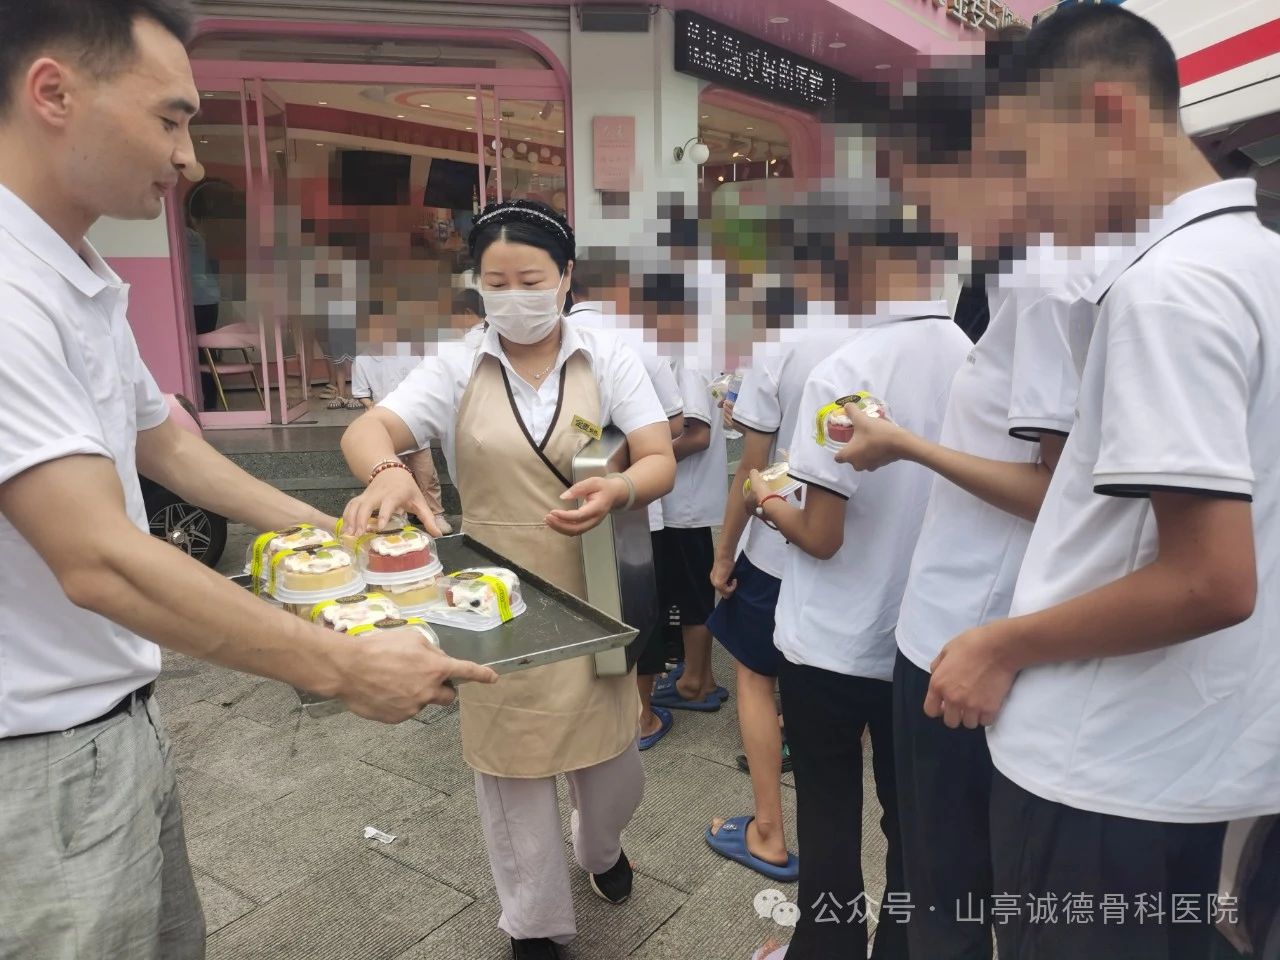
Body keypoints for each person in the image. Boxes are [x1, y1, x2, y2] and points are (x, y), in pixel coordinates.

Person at [0, 3, 495, 957]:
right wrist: (340, 666)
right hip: (37, 756)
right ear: (53, 93)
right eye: (171, 120)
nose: (189, 161)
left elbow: (167, 446)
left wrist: (327, 528)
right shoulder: (9, 292)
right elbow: (98, 559)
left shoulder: (72, 274)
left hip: (113, 721)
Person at [920, 7, 1280, 959]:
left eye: (1024, 158)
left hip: (1100, 767)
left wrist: (998, 643)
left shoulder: (1169, 289)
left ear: (1109, 115)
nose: (1027, 196)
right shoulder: (1261, 261)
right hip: (1189, 754)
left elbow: (1211, 578)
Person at [339, 199, 677, 960]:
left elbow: (658, 455)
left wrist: (621, 489)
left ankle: (600, 846)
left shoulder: (606, 357)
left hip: (593, 593)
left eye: (531, 279)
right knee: (512, 776)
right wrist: (388, 469)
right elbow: (369, 428)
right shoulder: (457, 363)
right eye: (496, 283)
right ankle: (535, 923)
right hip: (493, 604)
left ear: (566, 277)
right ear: (477, 286)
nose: (515, 296)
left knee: (613, 766)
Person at [745, 209, 971, 960]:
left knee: (829, 810)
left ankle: (826, 947)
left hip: (832, 640)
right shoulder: (973, 358)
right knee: (911, 823)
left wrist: (764, 500)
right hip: (928, 638)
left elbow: (822, 534)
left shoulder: (847, 371)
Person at [704, 205, 856, 884]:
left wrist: (722, 554)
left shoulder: (784, 338)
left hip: (778, 545)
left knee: (754, 676)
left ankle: (769, 829)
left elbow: (752, 469)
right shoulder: (904, 333)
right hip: (867, 555)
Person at [566, 256, 686, 750]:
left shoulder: (549, 343)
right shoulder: (641, 342)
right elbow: (675, 424)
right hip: (636, 500)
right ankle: (642, 717)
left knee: (578, 602)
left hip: (561, 502)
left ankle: (583, 712)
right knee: (635, 603)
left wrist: (589, 432)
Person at [643, 270, 731, 714]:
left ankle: (696, 681)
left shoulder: (689, 357)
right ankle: (698, 674)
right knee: (687, 589)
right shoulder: (686, 350)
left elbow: (697, 434)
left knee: (692, 593)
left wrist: (646, 459)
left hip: (683, 502)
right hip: (680, 500)